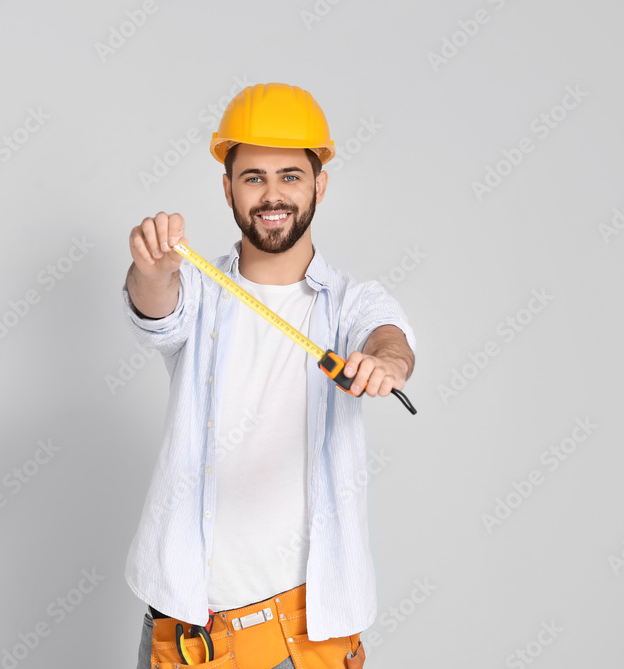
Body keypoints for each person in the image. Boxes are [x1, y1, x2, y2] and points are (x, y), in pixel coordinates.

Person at [122, 83, 416, 669]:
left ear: (319, 185)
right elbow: (155, 308)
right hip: (187, 638)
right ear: (228, 188)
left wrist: (384, 363)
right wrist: (150, 266)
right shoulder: (198, 290)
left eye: (290, 175)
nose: (272, 193)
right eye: (253, 176)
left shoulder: (351, 302)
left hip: (304, 641)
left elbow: (389, 338)